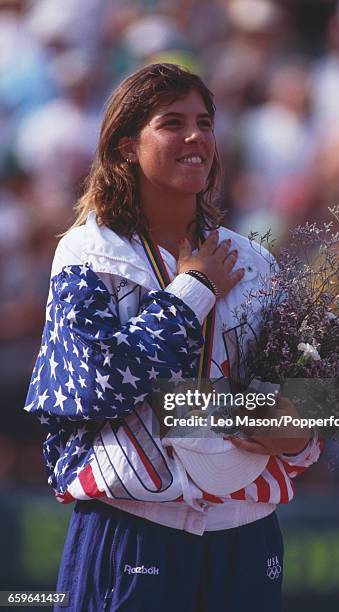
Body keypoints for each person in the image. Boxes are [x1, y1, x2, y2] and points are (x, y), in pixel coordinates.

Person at [24, 63, 322, 612]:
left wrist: (300, 435)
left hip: (248, 530)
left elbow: (304, 406)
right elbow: (103, 385)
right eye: (172, 123)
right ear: (125, 148)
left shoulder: (255, 261)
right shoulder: (90, 255)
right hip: (135, 527)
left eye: (205, 122)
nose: (196, 137)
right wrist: (197, 286)